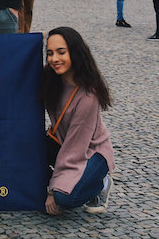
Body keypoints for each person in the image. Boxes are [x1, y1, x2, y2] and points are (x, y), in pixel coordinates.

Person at [43, 26, 115, 215]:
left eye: (61, 52)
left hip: (93, 152)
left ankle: (101, 183)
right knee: (24, 154)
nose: (54, 59)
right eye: (49, 53)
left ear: (75, 52)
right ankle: (68, 181)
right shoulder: (50, 78)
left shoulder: (88, 96)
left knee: (64, 198)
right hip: (63, 142)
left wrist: (52, 189)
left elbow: (74, 149)